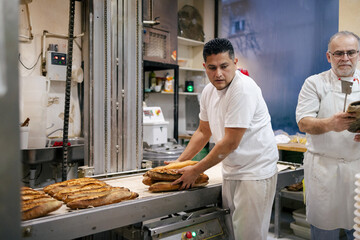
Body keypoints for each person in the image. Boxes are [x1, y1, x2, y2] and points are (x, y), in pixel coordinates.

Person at [171, 38, 279, 240]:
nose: (218, 73)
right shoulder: (208, 91)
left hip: (255, 171)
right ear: (204, 66)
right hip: (231, 169)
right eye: (212, 68)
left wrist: (195, 170)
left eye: (224, 66)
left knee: (249, 235)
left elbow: (230, 142)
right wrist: (178, 163)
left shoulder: (243, 89)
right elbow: (203, 132)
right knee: (230, 231)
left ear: (235, 63)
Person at [296, 31, 360, 240]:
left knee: (357, 229)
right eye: (338, 53)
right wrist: (331, 124)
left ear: (358, 54)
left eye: (350, 52)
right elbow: (303, 122)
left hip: (358, 169)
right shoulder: (314, 83)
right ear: (328, 56)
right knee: (324, 231)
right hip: (325, 171)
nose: (345, 58)